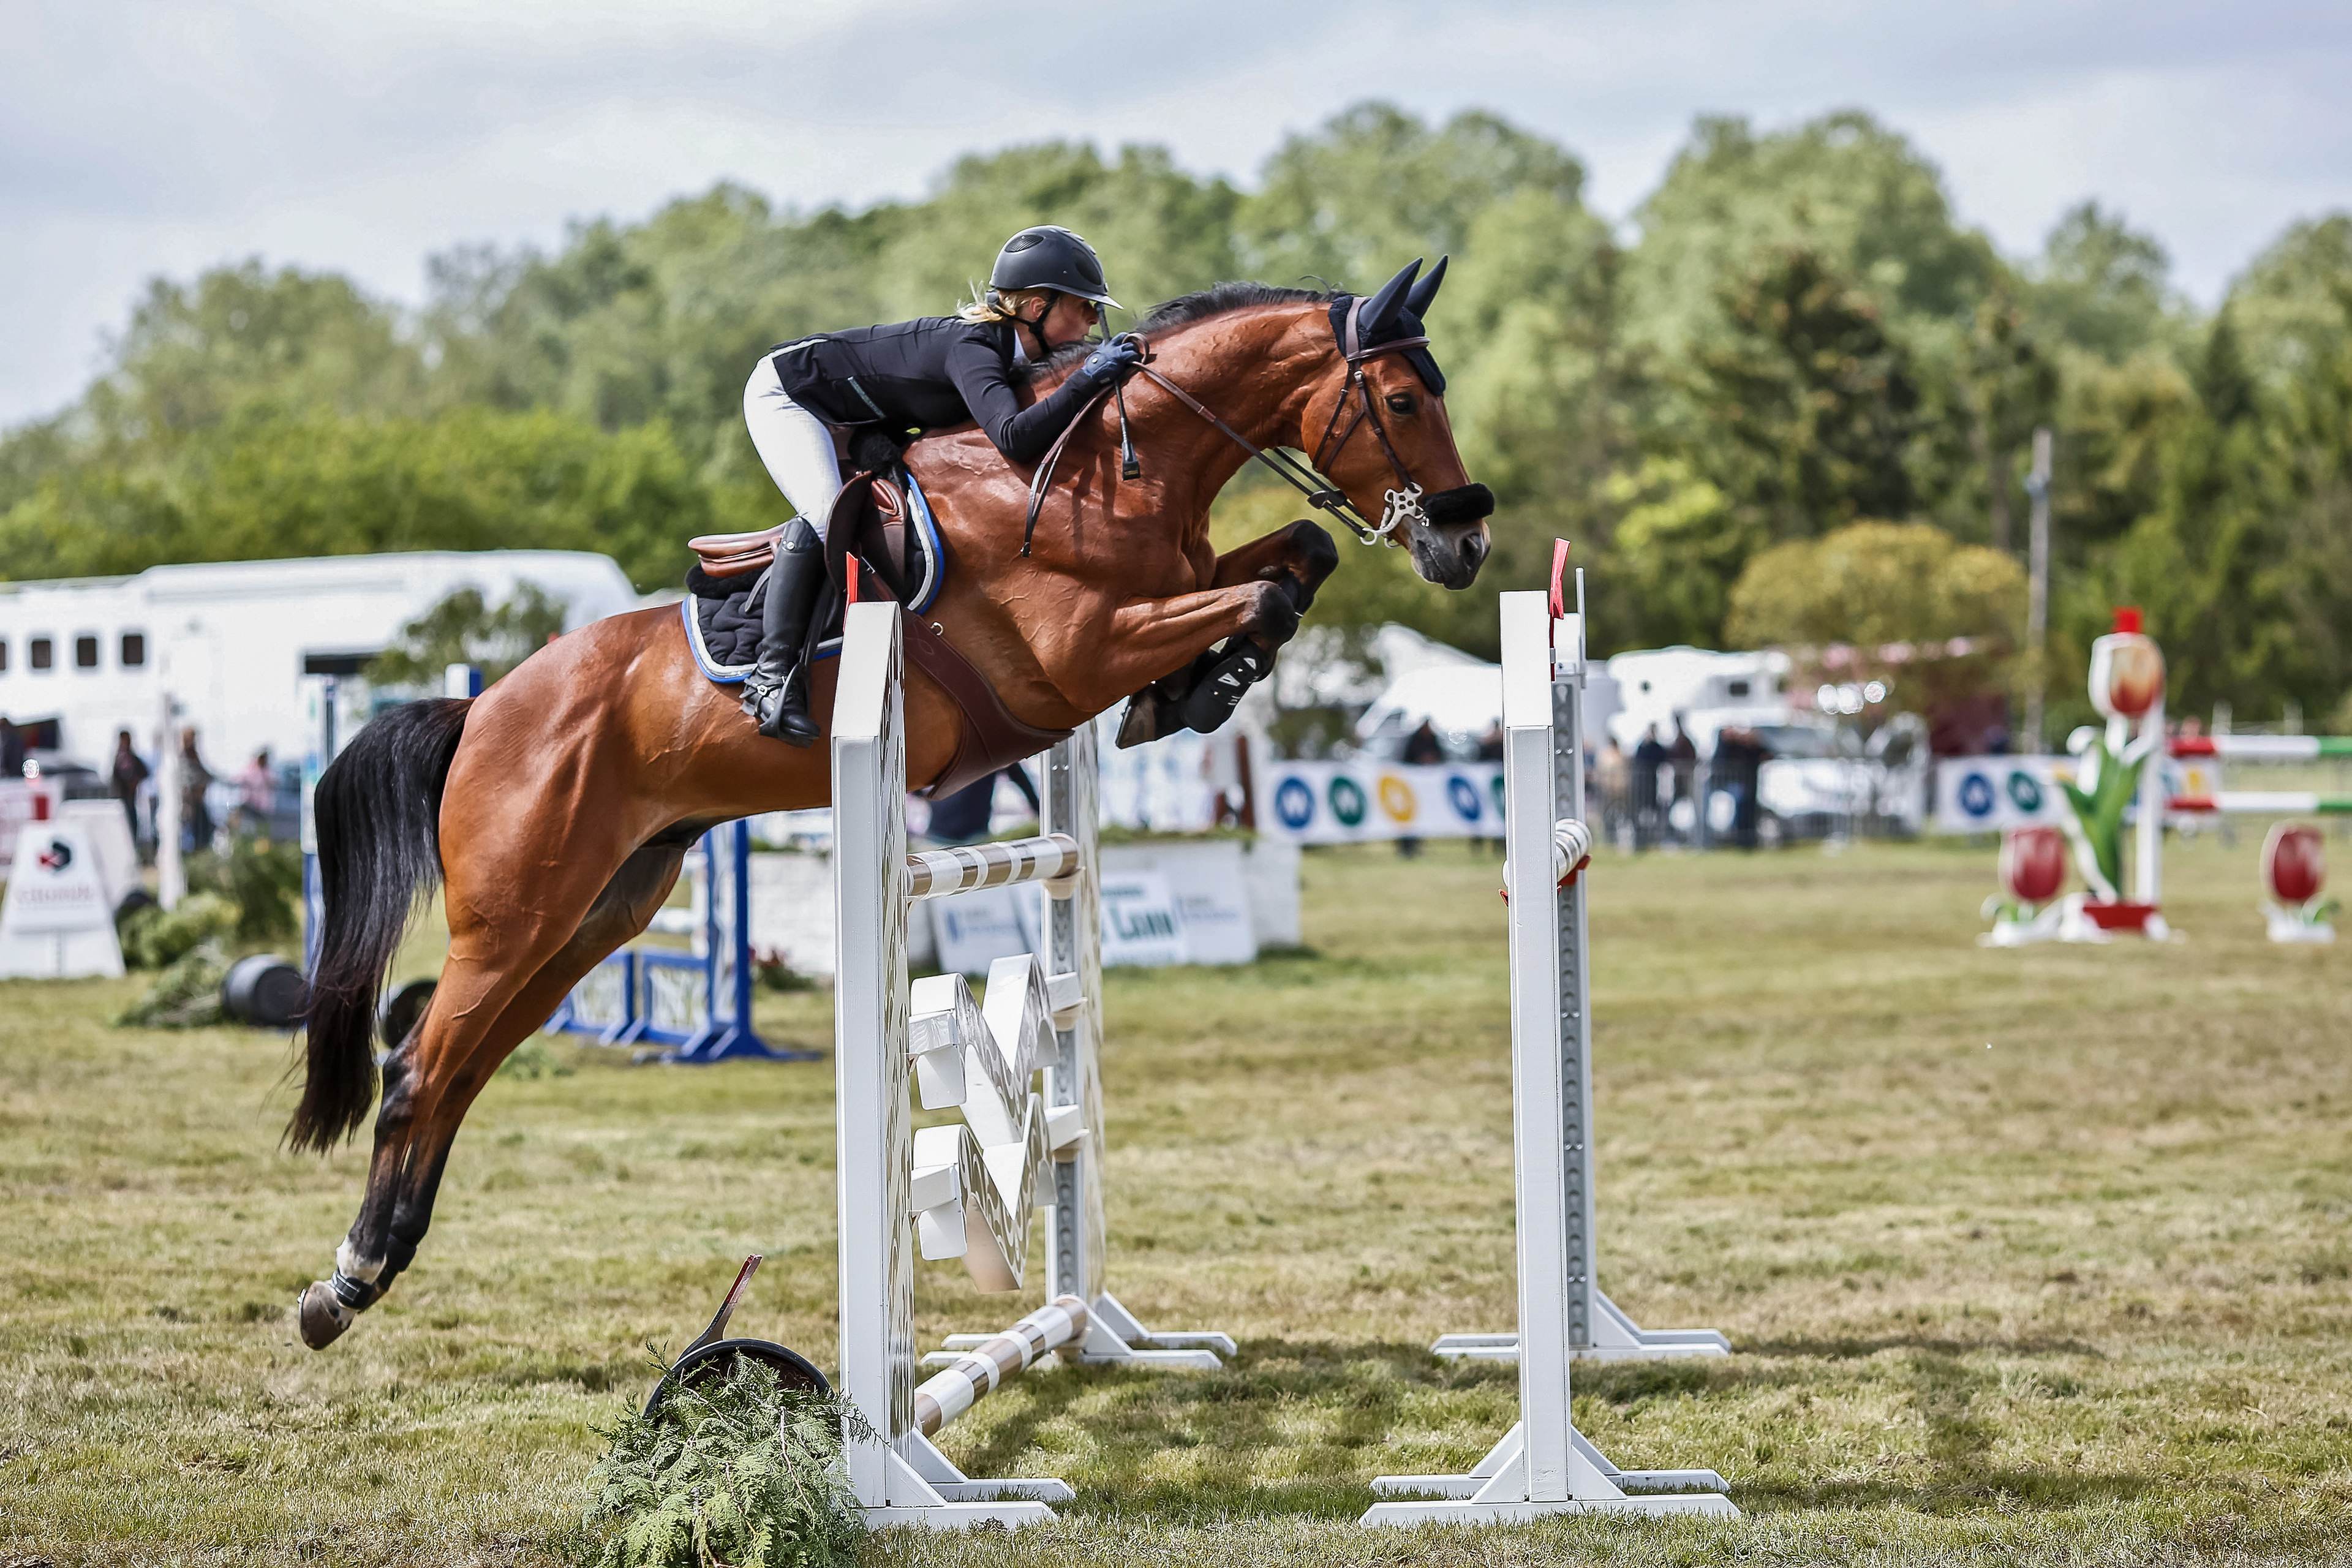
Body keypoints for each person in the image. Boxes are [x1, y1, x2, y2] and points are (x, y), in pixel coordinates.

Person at [739, 225, 1140, 745]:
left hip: (853, 414)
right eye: (1085, 307)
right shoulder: (974, 347)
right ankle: (770, 680)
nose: (1093, 319)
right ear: (1038, 307)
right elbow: (1016, 438)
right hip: (790, 396)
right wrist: (1089, 377)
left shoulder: (1013, 355)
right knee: (823, 516)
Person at [110, 729, 149, 849]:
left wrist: (135, 782)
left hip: (130, 798)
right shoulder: (120, 757)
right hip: (120, 798)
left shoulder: (132, 758)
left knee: (132, 824)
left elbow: (144, 772)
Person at [178, 728, 215, 854]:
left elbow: (205, 774)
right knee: (190, 832)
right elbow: (186, 779)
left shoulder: (194, 755)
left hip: (197, 802)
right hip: (188, 804)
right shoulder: (181, 756)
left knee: (205, 829)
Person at [236, 748, 275, 837]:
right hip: (249, 805)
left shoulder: (267, 771)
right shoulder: (249, 769)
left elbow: (273, 783)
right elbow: (239, 780)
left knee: (261, 830)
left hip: (262, 808)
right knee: (249, 829)